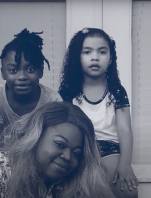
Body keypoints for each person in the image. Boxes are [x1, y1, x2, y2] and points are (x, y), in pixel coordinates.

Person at [0, 102, 116, 198]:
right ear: (36, 137)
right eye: (60, 144)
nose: (68, 157)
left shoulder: (76, 184)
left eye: (77, 153)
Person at [58, 27, 138, 198]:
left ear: (110, 59)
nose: (95, 57)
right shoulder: (69, 91)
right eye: (87, 52)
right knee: (68, 192)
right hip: (81, 148)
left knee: (127, 190)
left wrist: (125, 164)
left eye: (102, 52)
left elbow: (125, 130)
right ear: (77, 58)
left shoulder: (116, 90)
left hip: (110, 149)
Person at [0, 28, 62, 146]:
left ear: (41, 71)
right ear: (3, 73)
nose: (22, 76)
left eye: (30, 69)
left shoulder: (52, 101)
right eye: (13, 70)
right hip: (2, 158)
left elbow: (51, 145)